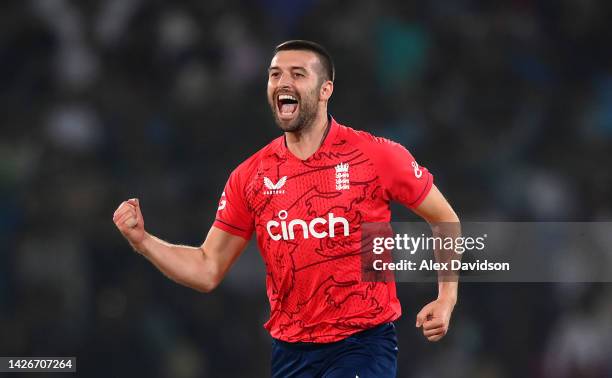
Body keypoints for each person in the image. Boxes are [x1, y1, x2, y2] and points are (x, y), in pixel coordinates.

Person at [113, 40, 460, 378]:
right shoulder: (250, 176)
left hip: (363, 343)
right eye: (275, 74)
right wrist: (143, 240)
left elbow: (444, 218)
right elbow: (207, 268)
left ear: (325, 90)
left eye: (297, 74)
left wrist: (446, 299)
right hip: (290, 352)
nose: (283, 83)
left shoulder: (375, 156)